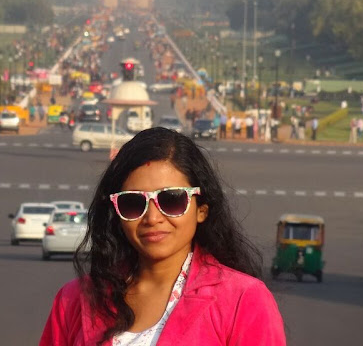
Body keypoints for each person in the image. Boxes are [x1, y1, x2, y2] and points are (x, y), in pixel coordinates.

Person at [40, 128, 286, 345]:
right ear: (116, 213)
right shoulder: (75, 299)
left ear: (201, 209)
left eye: (172, 199)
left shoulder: (243, 300)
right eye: (133, 203)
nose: (152, 218)